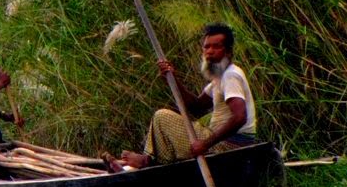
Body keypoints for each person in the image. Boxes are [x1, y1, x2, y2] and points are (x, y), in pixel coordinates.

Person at [109, 22, 256, 170]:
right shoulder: (219, 78)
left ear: (228, 52)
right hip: (221, 141)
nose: (209, 51)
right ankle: (151, 161)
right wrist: (171, 78)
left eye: (216, 47)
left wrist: (205, 144)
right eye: (206, 47)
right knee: (165, 119)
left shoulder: (230, 75)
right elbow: (197, 107)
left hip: (230, 145)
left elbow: (240, 117)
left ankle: (148, 161)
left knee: (162, 117)